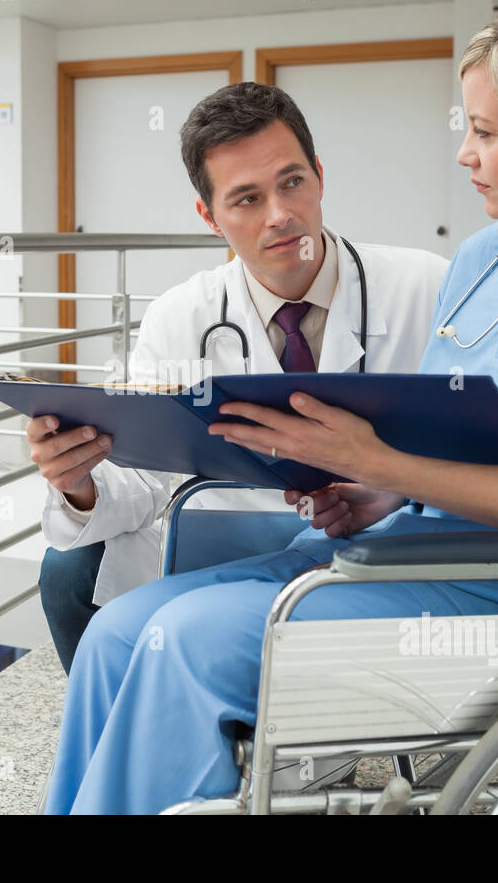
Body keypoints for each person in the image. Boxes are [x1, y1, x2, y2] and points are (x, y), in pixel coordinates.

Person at [42, 0, 498, 814]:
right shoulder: (489, 259)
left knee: (183, 644)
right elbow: (453, 441)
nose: (465, 154)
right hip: (407, 554)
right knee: (117, 635)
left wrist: (382, 459)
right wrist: (379, 488)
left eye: (484, 132)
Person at [32, 82, 448, 673]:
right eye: (247, 199)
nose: (281, 215)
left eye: (292, 183)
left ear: (320, 176)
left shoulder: (427, 287)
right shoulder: (180, 317)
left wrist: (398, 489)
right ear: (210, 217)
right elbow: (147, 482)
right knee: (70, 569)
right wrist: (79, 483)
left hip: (382, 541)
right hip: (232, 542)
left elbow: (479, 451)